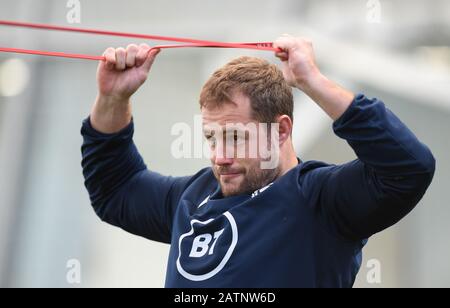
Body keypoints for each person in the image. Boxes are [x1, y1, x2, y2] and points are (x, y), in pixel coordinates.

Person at [81, 35, 435, 287]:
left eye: (235, 137)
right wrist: (112, 98)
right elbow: (115, 189)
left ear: (280, 131)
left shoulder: (320, 201)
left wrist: (311, 81)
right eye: (212, 138)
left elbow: (407, 167)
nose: (220, 157)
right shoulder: (194, 196)